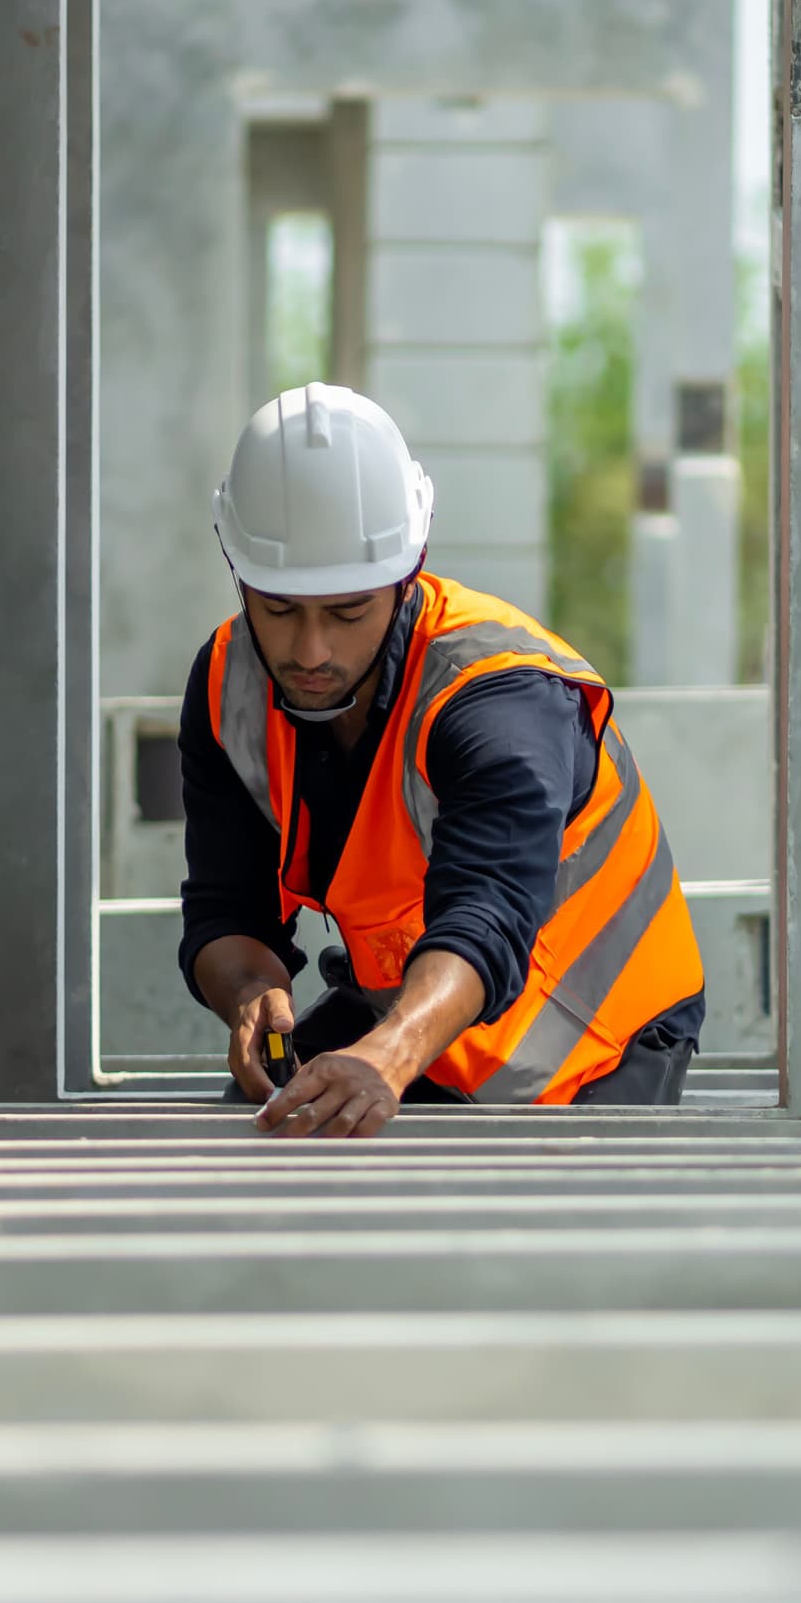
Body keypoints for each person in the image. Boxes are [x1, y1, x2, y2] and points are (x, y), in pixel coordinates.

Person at [176, 385, 707, 1138]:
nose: (310, 651)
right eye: (280, 608)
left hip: (593, 1045)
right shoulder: (231, 682)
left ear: (408, 575)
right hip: (408, 1027)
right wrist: (251, 991)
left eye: (349, 610)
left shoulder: (499, 697)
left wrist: (389, 1054)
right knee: (260, 1147)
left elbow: (487, 913)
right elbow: (227, 907)